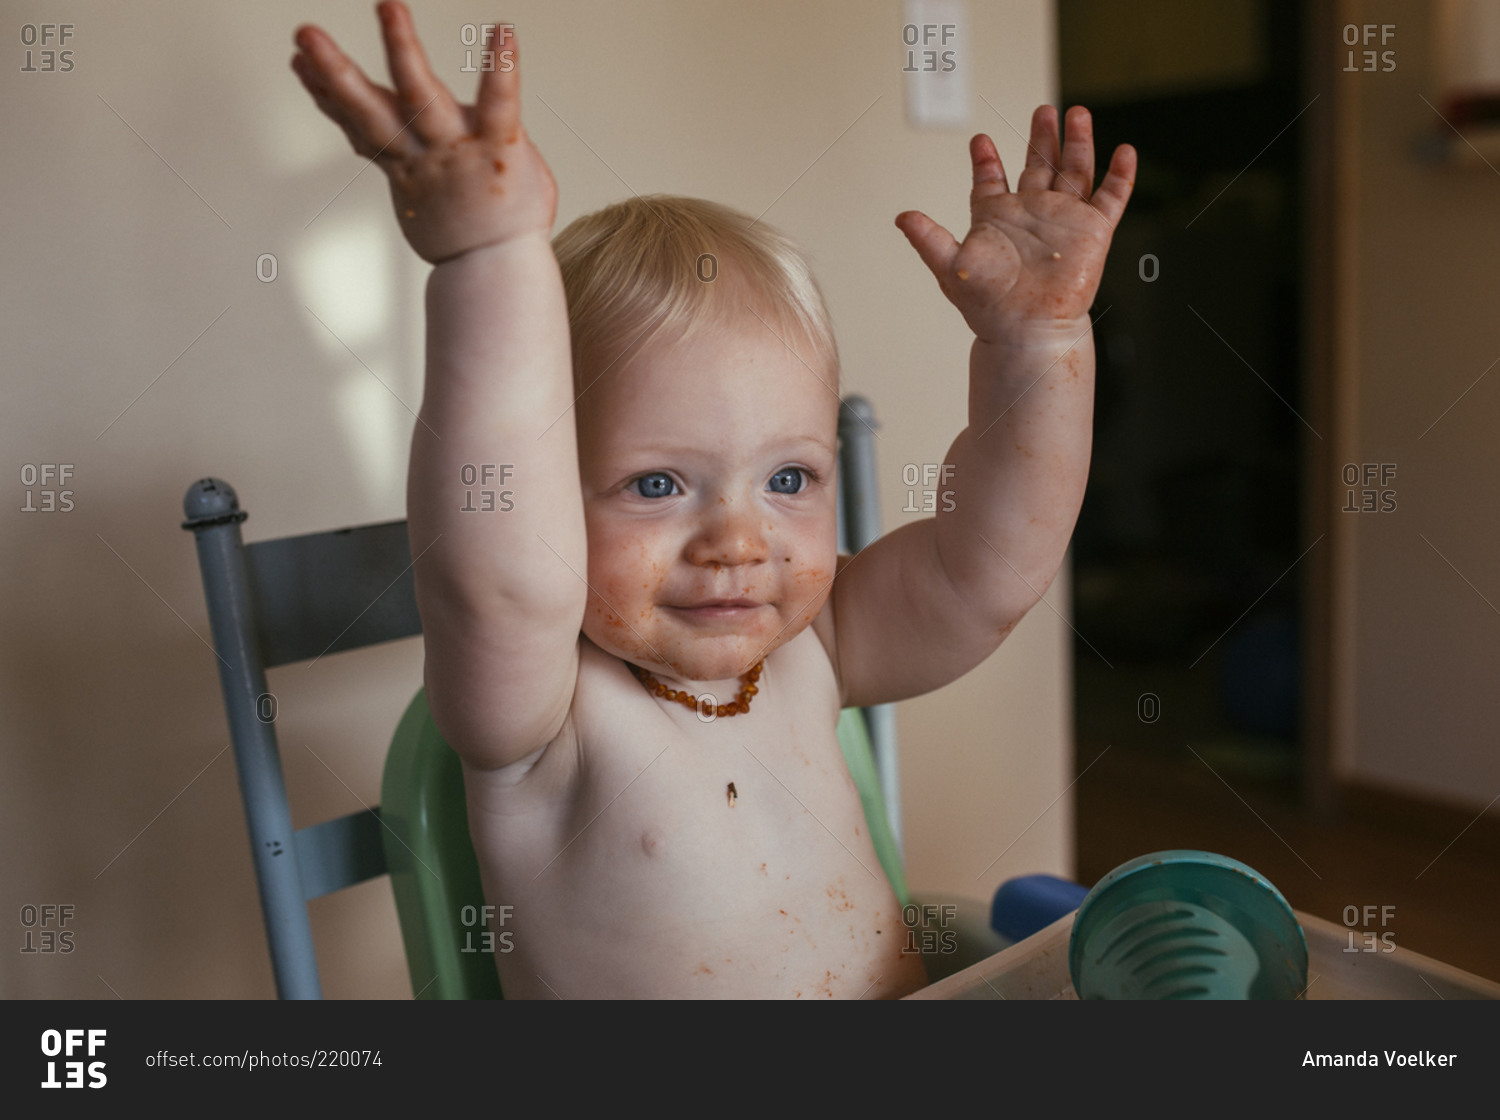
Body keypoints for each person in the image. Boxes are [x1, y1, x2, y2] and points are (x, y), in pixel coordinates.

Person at [290, 0, 1135, 998]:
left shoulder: (817, 650)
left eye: (789, 479)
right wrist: (489, 258)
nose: (738, 538)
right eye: (657, 483)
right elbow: (500, 582)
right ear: (553, 502)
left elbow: (987, 567)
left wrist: (1037, 347)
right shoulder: (541, 713)